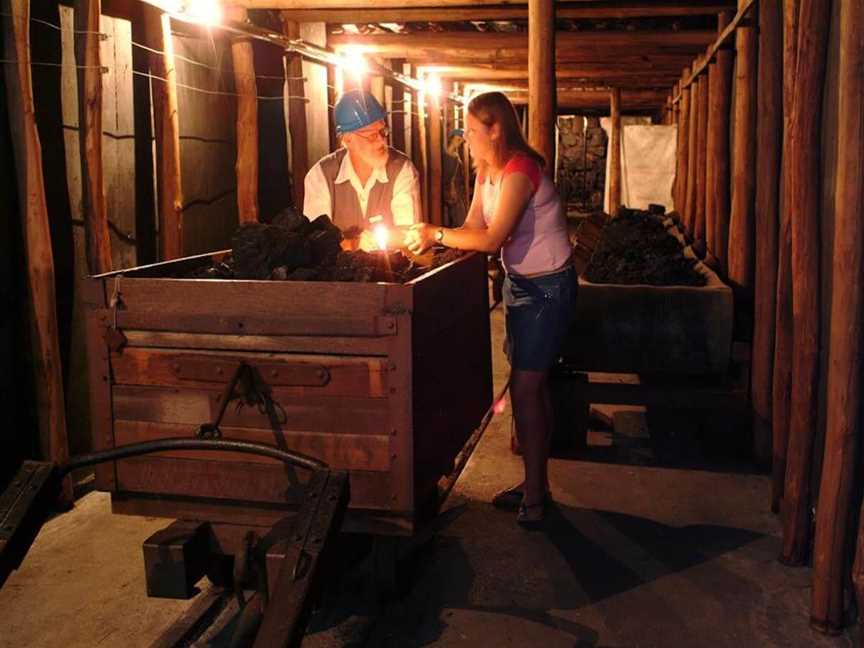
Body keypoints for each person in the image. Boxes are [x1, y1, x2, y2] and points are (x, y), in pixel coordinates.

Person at [405, 91, 576, 526]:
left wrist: (434, 233)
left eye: (473, 131)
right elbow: (471, 227)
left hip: (548, 290)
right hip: (521, 286)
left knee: (524, 388)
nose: (467, 140)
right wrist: (436, 238)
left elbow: (490, 239)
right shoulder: (488, 172)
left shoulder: (520, 170)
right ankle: (537, 483)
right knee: (531, 388)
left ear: (495, 129)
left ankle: (536, 496)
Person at [303, 90, 422, 247]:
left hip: (392, 269)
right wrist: (356, 244)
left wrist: (373, 242)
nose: (381, 141)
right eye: (371, 136)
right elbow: (316, 242)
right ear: (347, 139)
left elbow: (410, 235)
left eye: (383, 131)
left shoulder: (401, 169)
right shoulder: (320, 176)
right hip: (339, 270)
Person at [442, 128, 468, 228]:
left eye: (461, 141)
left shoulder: (456, 157)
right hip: (447, 190)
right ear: (451, 139)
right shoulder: (444, 155)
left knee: (459, 217)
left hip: (456, 191)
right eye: (458, 140)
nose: (459, 143)